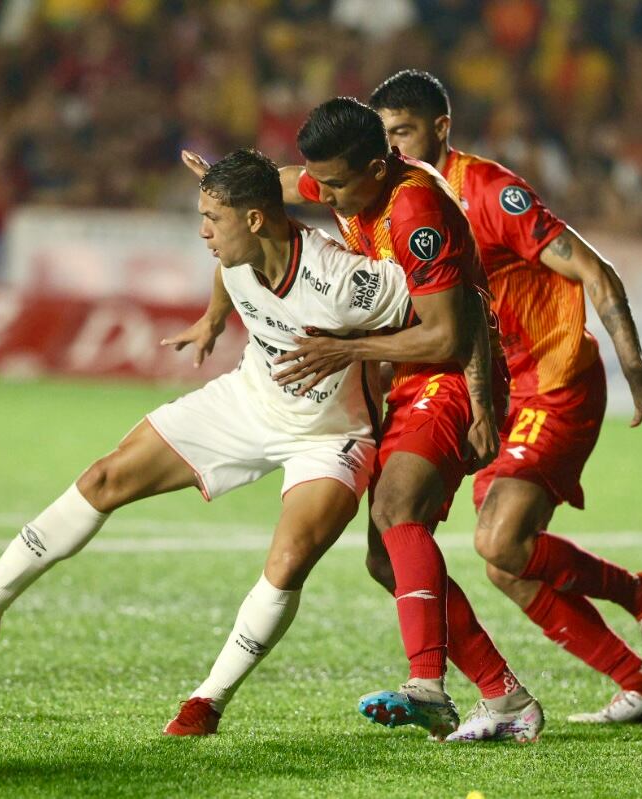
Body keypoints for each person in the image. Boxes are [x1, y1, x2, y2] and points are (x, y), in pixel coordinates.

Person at [0, 148, 416, 736]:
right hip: (247, 400)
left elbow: (439, 314)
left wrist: (363, 354)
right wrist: (213, 319)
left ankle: (207, 703)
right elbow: (230, 272)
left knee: (288, 559)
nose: (202, 233)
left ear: (253, 219)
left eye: (212, 219)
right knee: (104, 478)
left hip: (329, 435)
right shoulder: (238, 254)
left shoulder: (344, 280)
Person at [185, 97, 543, 743]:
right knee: (386, 558)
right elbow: (279, 187)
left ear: (378, 167)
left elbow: (447, 331)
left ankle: (427, 687)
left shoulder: (415, 210)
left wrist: (350, 353)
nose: (325, 196)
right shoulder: (342, 178)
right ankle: (504, 696)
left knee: (397, 507)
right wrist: (223, 185)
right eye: (319, 181)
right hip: (404, 374)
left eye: (336, 185)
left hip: (450, 371)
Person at [354, 69, 642, 725]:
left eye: (405, 132)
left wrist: (635, 367)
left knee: (499, 540)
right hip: (490, 384)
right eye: (384, 136)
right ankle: (640, 684)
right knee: (506, 563)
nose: (394, 148)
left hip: (553, 376)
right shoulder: (391, 200)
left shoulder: (486, 190)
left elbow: (593, 269)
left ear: (440, 128)